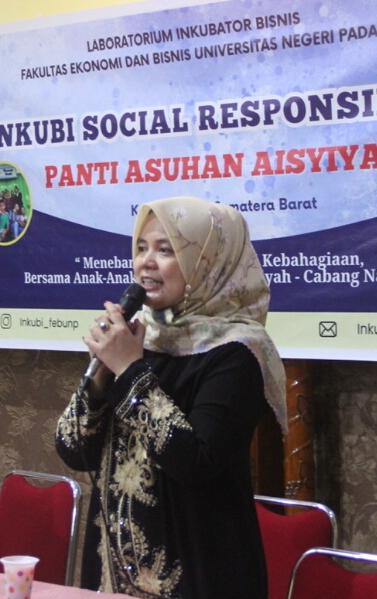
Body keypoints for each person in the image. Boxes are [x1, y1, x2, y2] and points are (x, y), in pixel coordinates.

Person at [55, 196, 287, 598]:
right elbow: (74, 450)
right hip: (113, 569)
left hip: (198, 568)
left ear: (207, 263)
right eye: (142, 248)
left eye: (166, 250)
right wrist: (100, 377)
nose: (146, 262)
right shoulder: (136, 339)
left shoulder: (238, 353)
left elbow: (195, 461)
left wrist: (130, 370)